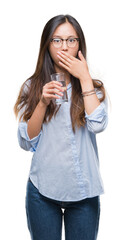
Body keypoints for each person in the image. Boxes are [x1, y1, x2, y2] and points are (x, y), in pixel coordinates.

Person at [14, 14, 108, 240]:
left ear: (79, 45)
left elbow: (98, 125)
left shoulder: (91, 87)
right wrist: (43, 103)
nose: (64, 47)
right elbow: (27, 142)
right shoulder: (33, 86)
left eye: (71, 40)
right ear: (47, 45)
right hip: (42, 192)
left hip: (83, 193)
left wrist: (84, 78)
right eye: (57, 40)